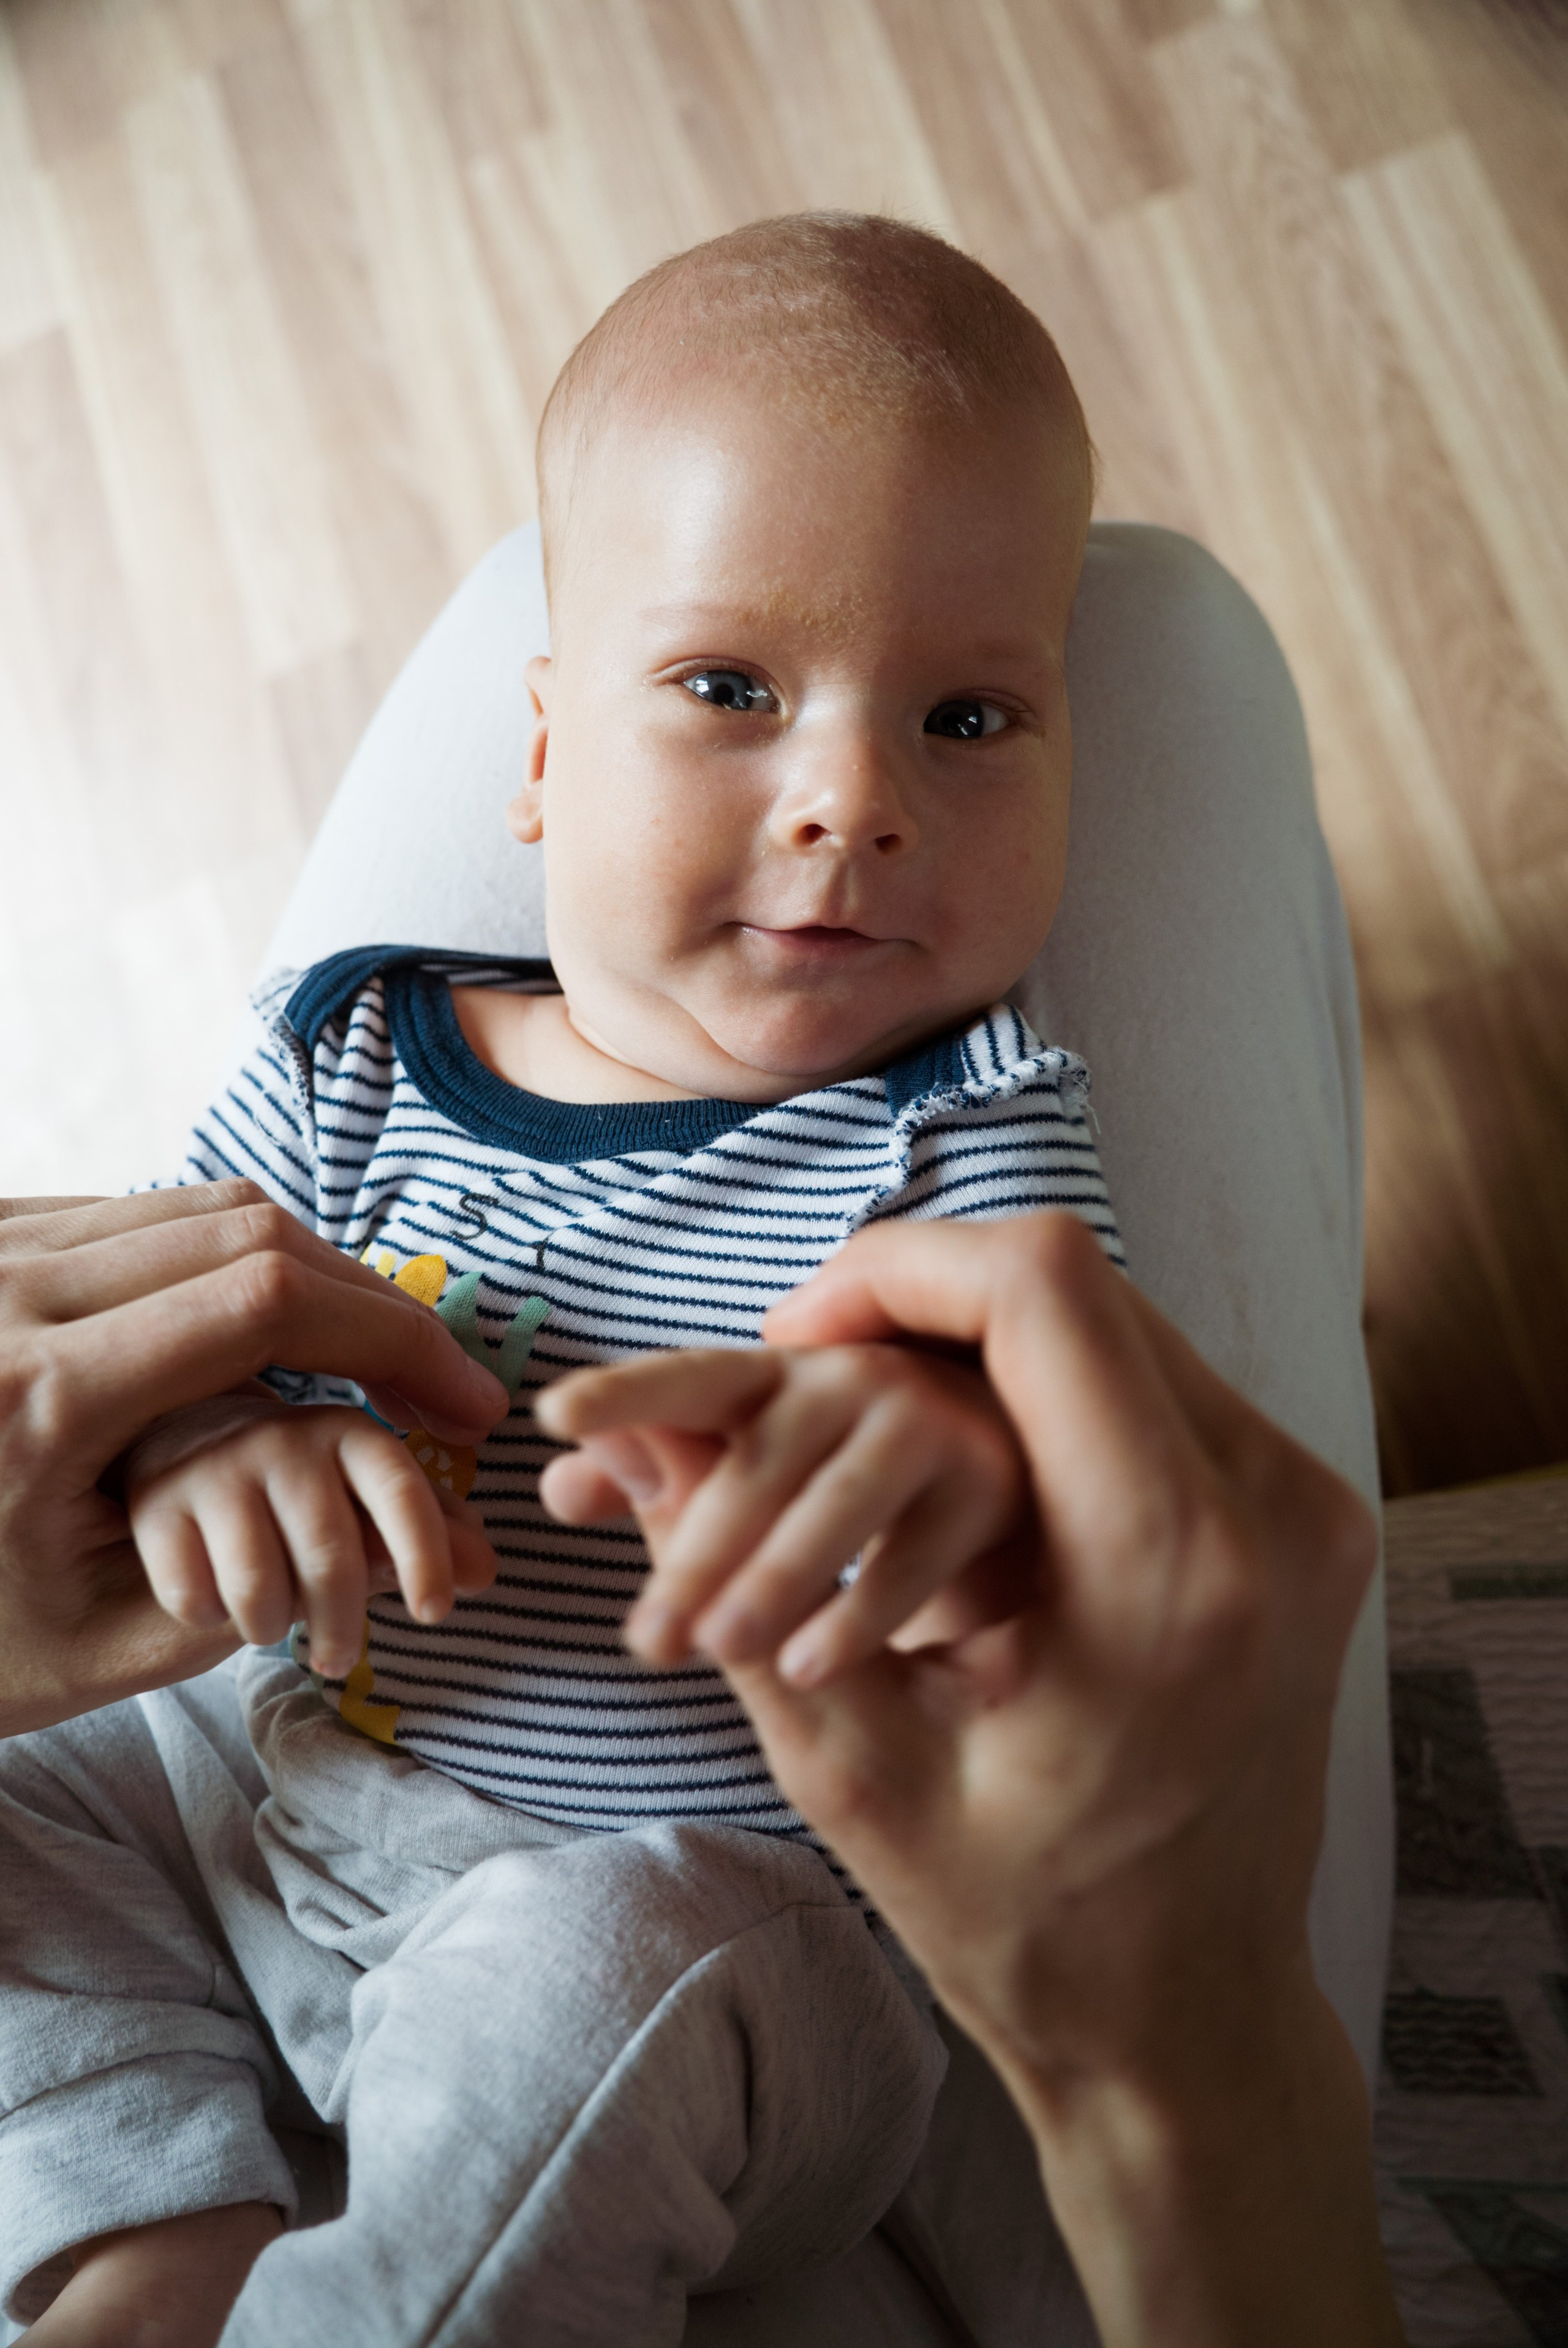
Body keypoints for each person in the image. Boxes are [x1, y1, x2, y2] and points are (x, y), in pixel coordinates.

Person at [539, 1210, 1407, 2346]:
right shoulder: (341, 1060)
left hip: (703, 1949)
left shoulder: (974, 1122)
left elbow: (1039, 1422)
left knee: (581, 1963)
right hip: (313, 1778)